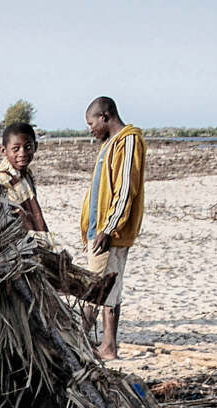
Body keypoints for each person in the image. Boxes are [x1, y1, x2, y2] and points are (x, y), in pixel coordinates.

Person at [79, 96, 146, 360]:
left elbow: (125, 188)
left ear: (105, 116)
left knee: (94, 289)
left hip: (109, 233)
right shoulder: (109, 144)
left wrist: (109, 228)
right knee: (109, 289)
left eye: (91, 123)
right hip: (100, 230)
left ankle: (80, 343)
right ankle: (108, 346)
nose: (91, 129)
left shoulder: (128, 141)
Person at [0, 121, 49, 239]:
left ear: (36, 147)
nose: (22, 153)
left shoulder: (26, 174)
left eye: (28, 147)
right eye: (16, 149)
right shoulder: (3, 179)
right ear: (4, 150)